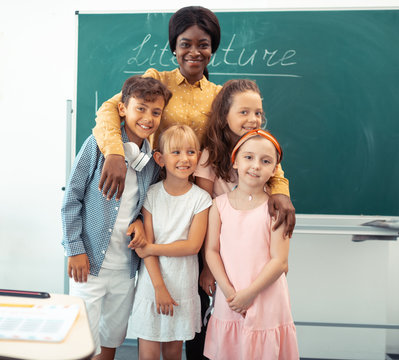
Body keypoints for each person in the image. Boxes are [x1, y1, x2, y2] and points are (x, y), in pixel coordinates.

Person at [93, 6, 294, 358]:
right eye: (185, 44)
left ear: (213, 49)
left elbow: (255, 145)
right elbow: (112, 110)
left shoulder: (220, 97)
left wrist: (279, 187)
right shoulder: (158, 80)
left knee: (200, 305)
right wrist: (113, 152)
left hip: (202, 204)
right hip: (153, 198)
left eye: (204, 45)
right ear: (174, 47)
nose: (194, 52)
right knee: (150, 293)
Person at [61, 76, 172, 360]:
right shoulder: (96, 146)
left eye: (156, 112)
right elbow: (71, 200)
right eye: (141, 108)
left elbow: (142, 205)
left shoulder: (150, 162)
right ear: (122, 109)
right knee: (81, 340)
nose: (148, 118)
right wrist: (74, 250)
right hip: (89, 265)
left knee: (112, 338)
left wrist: (137, 222)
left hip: (125, 269)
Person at [204, 129, 299, 359]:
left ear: (274, 169)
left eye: (265, 161)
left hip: (265, 298)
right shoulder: (218, 205)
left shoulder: (277, 210)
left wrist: (249, 294)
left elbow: (280, 261)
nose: (256, 165)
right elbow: (212, 251)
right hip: (231, 297)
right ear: (234, 161)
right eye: (248, 157)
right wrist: (229, 291)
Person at [130, 125, 212, 360]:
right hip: (152, 284)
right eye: (175, 152)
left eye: (191, 152)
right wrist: (159, 288)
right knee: (148, 353)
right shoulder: (151, 195)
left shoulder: (201, 199)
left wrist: (150, 248)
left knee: (174, 352)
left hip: (182, 286)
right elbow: (145, 247)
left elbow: (192, 246)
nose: (184, 158)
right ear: (160, 158)